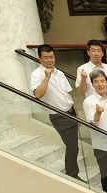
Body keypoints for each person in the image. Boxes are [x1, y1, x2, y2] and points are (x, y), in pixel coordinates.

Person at [30, 45, 79, 178]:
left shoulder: (60, 73)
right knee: (72, 146)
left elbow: (67, 93)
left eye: (51, 57)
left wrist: (74, 109)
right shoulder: (36, 74)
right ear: (39, 58)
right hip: (59, 115)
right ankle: (72, 175)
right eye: (46, 58)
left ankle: (72, 173)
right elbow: (38, 94)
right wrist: (47, 77)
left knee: (74, 145)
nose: (49, 60)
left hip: (70, 112)